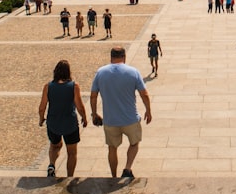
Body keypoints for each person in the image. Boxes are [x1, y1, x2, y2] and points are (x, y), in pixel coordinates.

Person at [90, 47, 152, 179]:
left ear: (111, 57)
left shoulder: (101, 72)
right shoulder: (133, 72)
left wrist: (94, 114)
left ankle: (113, 176)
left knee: (112, 148)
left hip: (110, 120)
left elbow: (93, 95)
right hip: (130, 118)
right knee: (134, 143)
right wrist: (148, 110)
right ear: (124, 57)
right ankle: (127, 168)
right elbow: (144, 94)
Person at [38, 60, 88, 178]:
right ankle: (69, 176)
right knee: (71, 152)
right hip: (69, 123)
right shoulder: (74, 86)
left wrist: (41, 119)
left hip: (53, 122)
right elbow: (79, 106)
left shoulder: (48, 87)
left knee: (55, 145)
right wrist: (84, 118)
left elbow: (42, 107)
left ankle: (51, 164)